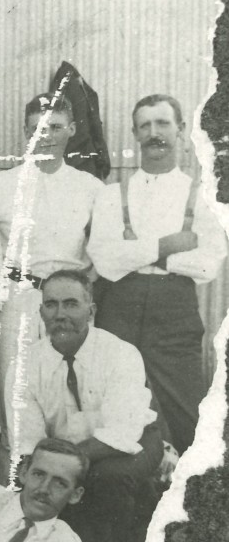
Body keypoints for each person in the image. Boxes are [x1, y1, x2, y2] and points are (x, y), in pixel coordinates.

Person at [8, 269, 161, 542]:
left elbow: (122, 431)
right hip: (64, 452)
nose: (60, 314)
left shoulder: (119, 353)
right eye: (51, 305)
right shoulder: (25, 365)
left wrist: (67, 465)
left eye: (71, 304)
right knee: (47, 487)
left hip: (133, 440)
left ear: (90, 310)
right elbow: (29, 440)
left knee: (108, 478)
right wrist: (50, 470)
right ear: (41, 312)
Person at [88, 94, 226, 454]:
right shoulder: (111, 195)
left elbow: (207, 263)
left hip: (174, 312)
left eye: (163, 123)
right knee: (115, 407)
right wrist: (169, 246)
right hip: (119, 308)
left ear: (180, 130)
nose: (155, 133)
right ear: (135, 133)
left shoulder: (202, 195)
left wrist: (135, 253)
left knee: (185, 412)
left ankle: (191, 498)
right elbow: (104, 260)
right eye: (145, 125)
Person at [0, 94, 102, 478]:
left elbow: (101, 253)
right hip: (20, 301)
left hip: (70, 304)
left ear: (71, 131)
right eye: (38, 128)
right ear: (25, 132)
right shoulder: (0, 186)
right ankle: (13, 494)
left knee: (70, 403)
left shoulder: (90, 187)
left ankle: (67, 496)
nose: (46, 136)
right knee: (17, 401)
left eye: (55, 127)